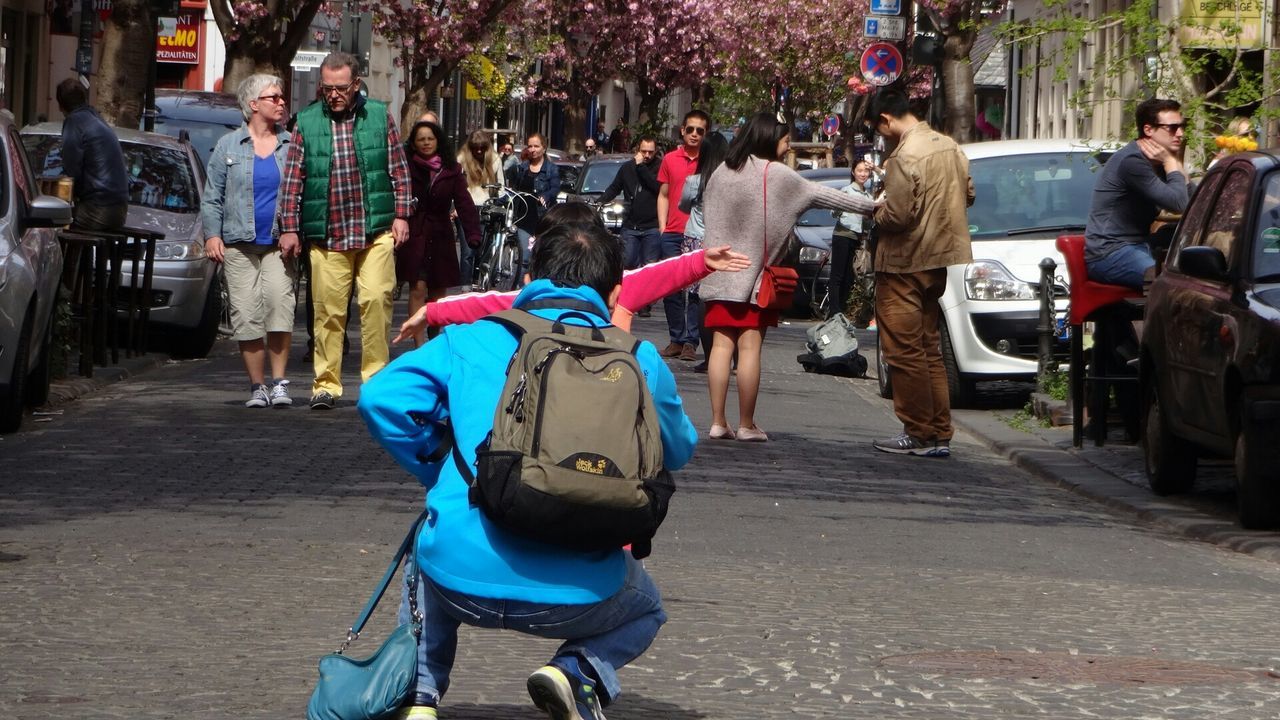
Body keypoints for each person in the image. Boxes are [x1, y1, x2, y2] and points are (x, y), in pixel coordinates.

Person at [357, 222, 698, 720]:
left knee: (428, 545)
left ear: (530, 275)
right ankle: (578, 670)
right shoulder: (640, 358)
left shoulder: (470, 339)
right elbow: (680, 448)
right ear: (615, 290)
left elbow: (379, 398)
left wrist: (437, 469)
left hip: (459, 581)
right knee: (647, 608)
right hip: (580, 595)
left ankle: (420, 697)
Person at [698, 112, 875, 442]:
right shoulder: (776, 174)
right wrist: (873, 207)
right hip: (753, 280)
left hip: (719, 273)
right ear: (768, 139)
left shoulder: (722, 171)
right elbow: (826, 196)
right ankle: (747, 424)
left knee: (720, 348)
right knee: (750, 349)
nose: (787, 146)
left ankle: (718, 422)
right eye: (783, 140)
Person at [277, 51, 413, 411]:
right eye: (326, 88)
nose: (333, 95)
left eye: (340, 88)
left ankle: (376, 382)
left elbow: (399, 171)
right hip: (328, 235)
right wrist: (289, 228)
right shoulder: (305, 122)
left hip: (375, 231)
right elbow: (292, 182)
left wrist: (402, 215)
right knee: (327, 312)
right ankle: (325, 385)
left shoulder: (380, 116)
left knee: (377, 302)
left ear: (356, 85)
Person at [868, 90, 974, 458]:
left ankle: (917, 432)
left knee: (904, 351)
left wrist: (874, 210)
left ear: (886, 119)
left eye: (880, 131)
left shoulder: (904, 156)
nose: (883, 137)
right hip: (939, 258)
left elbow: (897, 215)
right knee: (929, 348)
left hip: (902, 262)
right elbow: (969, 194)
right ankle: (939, 432)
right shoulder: (950, 147)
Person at [201, 73, 299, 408]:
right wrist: (212, 235)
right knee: (246, 314)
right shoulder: (229, 146)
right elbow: (212, 196)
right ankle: (257, 386)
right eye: (274, 97)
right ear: (253, 105)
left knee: (279, 307)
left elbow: (302, 193)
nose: (281, 102)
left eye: (282, 97)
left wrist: (294, 229)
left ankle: (279, 382)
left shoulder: (291, 145)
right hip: (238, 244)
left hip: (277, 244)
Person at [1084, 98, 1190, 290]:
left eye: (1183, 126)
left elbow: (1198, 202)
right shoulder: (1132, 161)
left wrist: (1177, 167)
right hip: (1109, 253)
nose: (1180, 134)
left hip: (1140, 244)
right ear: (1148, 130)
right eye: (1173, 128)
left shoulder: (1158, 161)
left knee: (1200, 246)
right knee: (1168, 284)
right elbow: (1179, 204)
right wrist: (1171, 164)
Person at [398, 121, 481, 347]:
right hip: (416, 234)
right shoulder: (407, 167)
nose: (426, 143)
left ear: (438, 141)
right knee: (417, 288)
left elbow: (464, 202)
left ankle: (435, 342)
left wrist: (473, 232)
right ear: (414, 144)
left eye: (430, 138)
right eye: (421, 139)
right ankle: (418, 345)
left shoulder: (451, 169)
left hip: (441, 236)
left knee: (438, 295)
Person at [656, 109, 710, 361]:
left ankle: (691, 341)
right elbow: (664, 195)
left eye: (700, 130)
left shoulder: (709, 162)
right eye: (691, 129)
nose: (695, 134)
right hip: (673, 232)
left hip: (699, 235)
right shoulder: (669, 159)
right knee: (671, 289)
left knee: (696, 292)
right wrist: (662, 227)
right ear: (682, 130)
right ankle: (676, 339)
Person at [677, 131, 731, 369]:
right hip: (722, 241)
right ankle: (730, 355)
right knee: (721, 297)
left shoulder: (694, 181)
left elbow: (682, 205)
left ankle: (707, 355)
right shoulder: (730, 182)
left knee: (698, 297)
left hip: (696, 240)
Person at [55, 78, 129, 231]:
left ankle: (65, 255)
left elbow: (72, 170)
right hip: (119, 208)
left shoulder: (74, 121)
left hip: (99, 208)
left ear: (61, 105)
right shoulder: (95, 117)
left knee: (53, 225)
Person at [598, 136, 661, 270]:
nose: (647, 155)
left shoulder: (659, 167)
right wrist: (600, 201)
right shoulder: (627, 168)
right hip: (631, 225)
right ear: (638, 150)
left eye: (651, 152)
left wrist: (641, 167)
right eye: (644, 151)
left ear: (656, 151)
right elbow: (614, 188)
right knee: (626, 263)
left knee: (650, 267)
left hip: (652, 226)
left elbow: (656, 187)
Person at [828, 160, 875, 321]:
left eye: (865, 171)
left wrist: (869, 218)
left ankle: (841, 310)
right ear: (853, 172)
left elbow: (868, 224)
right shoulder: (846, 191)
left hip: (856, 238)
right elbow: (833, 213)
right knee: (837, 276)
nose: (863, 174)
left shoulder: (869, 196)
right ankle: (834, 312)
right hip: (842, 235)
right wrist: (841, 204)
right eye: (859, 170)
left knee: (849, 277)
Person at [506, 132, 560, 271]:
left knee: (542, 258)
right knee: (524, 257)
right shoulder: (522, 167)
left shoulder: (551, 169)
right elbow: (515, 190)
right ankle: (522, 288)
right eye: (530, 146)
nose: (532, 149)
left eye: (536, 146)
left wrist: (546, 196)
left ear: (544, 148)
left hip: (543, 220)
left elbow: (555, 188)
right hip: (524, 219)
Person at [458, 130, 504, 284]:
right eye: (475, 148)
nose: (478, 151)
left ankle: (478, 282)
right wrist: (455, 207)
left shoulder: (495, 159)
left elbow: (500, 186)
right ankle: (465, 285)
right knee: (467, 251)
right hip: (466, 208)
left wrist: (498, 203)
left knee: (482, 251)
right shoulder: (462, 160)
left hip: (486, 208)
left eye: (482, 148)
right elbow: (456, 186)